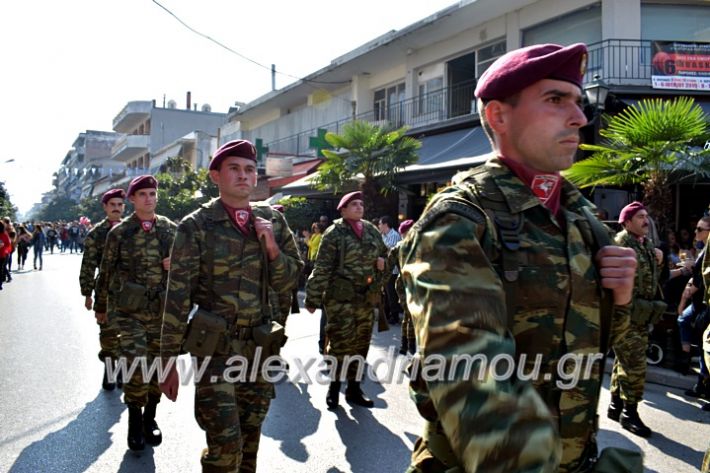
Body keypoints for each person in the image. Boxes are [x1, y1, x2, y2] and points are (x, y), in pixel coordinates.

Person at [399, 43, 638, 472]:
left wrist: (619, 300)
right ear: (498, 116)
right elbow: (471, 380)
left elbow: (589, 345)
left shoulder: (579, 217)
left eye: (579, 103)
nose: (580, 117)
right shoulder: (461, 218)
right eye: (555, 99)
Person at [160, 140, 303, 473]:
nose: (244, 176)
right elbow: (177, 297)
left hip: (260, 348)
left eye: (250, 170)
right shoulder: (195, 226)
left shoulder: (273, 222)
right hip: (216, 352)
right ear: (216, 176)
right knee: (225, 449)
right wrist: (166, 360)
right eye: (234, 169)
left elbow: (290, 280)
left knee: (250, 438)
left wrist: (271, 248)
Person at [94, 175, 176, 452]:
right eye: (142, 194)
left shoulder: (169, 229)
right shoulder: (120, 233)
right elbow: (105, 270)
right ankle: (133, 420)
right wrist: (101, 307)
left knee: (155, 367)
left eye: (152, 194)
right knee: (134, 365)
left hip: (161, 312)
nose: (149, 199)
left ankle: (150, 418)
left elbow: (190, 271)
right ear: (132, 199)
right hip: (129, 312)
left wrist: (174, 264)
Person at [305, 191, 388, 409]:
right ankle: (334, 389)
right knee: (340, 345)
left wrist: (382, 267)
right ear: (342, 209)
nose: (359, 207)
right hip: (340, 299)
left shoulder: (370, 230)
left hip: (365, 298)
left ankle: (354, 389)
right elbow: (322, 267)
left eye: (361, 204)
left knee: (361, 345)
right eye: (354, 204)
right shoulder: (334, 233)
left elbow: (384, 256)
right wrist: (313, 298)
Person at [606, 202, 666, 437]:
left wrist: (660, 261)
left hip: (641, 314)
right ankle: (630, 413)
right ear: (627, 221)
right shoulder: (621, 243)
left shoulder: (646, 244)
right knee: (635, 364)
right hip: (625, 315)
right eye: (640, 217)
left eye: (646, 216)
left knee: (625, 362)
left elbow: (651, 280)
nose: (646, 221)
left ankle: (615, 405)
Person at [79, 188, 126, 390]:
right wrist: (87, 294)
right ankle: (109, 369)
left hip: (132, 293)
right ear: (105, 207)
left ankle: (123, 370)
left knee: (128, 334)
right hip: (106, 292)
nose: (116, 208)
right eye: (112, 205)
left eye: (120, 205)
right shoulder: (96, 234)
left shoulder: (133, 229)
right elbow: (88, 265)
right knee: (107, 335)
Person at [678, 216, 710, 397]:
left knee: (706, 345)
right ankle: (686, 358)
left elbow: (702, 279)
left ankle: (703, 385)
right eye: (696, 228)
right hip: (699, 303)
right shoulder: (702, 248)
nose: (696, 232)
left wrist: (690, 290)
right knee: (683, 320)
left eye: (700, 229)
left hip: (705, 304)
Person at [388, 219, 415, 354]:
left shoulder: (400, 246)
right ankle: (411, 346)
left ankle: (404, 345)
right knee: (411, 315)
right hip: (408, 285)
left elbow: (387, 267)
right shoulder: (406, 246)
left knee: (407, 315)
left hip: (405, 283)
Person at [378, 215, 402, 324]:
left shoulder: (394, 235)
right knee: (386, 294)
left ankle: (394, 316)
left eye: (380, 224)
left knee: (391, 294)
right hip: (385, 270)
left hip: (393, 270)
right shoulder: (384, 235)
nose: (379, 226)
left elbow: (389, 251)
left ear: (385, 225)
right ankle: (386, 315)